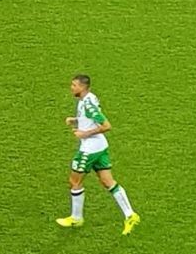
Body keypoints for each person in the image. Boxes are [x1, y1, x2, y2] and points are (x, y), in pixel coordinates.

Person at [56, 75, 139, 235]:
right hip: (100, 147)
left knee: (74, 181)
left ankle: (76, 217)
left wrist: (84, 133)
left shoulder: (87, 104)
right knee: (108, 181)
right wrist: (76, 120)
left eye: (74, 85)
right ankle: (130, 215)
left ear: (82, 87)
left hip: (90, 149)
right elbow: (90, 118)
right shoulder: (89, 98)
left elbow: (106, 125)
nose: (71, 88)